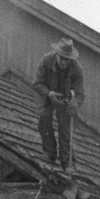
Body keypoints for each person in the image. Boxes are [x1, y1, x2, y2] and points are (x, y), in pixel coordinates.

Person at [34, 38, 85, 171]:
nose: (64, 62)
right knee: (44, 116)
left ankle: (67, 162)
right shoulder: (46, 61)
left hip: (66, 98)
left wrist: (75, 104)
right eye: (61, 58)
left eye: (67, 59)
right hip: (47, 95)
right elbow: (37, 83)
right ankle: (49, 153)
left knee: (65, 126)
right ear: (56, 54)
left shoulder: (77, 69)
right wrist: (50, 94)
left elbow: (80, 94)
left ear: (71, 59)